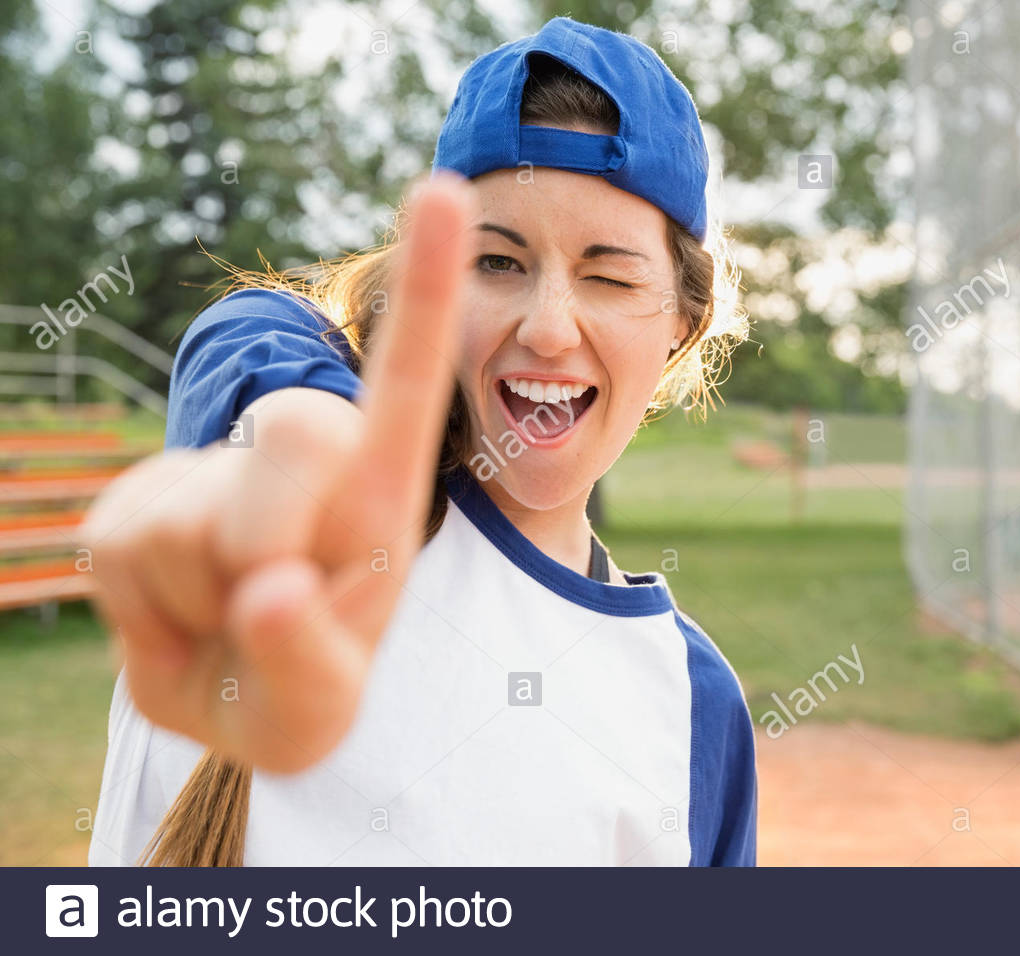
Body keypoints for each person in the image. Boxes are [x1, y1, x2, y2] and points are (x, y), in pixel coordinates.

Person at [83, 16, 755, 867]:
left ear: (681, 326)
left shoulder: (696, 705)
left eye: (610, 276)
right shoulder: (303, 454)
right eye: (497, 263)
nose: (549, 329)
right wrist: (310, 445)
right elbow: (248, 336)